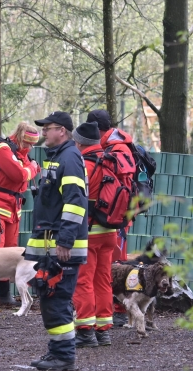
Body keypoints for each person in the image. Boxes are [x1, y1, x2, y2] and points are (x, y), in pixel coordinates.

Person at [26, 111, 88, 371]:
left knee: (57, 299)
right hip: (52, 245)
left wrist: (65, 240)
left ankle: (63, 356)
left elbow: (75, 202)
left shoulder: (69, 158)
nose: (43, 133)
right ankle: (57, 352)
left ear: (61, 130)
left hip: (62, 248)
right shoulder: (59, 157)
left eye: (47, 128)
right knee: (51, 299)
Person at [0, 122, 40, 308]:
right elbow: (19, 175)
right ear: (20, 137)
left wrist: (28, 169)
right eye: (28, 143)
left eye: (33, 144)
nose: (30, 147)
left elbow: (23, 173)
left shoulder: (21, 154)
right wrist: (33, 169)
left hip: (14, 207)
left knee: (10, 249)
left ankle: (5, 296)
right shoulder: (3, 149)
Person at [86, 109, 133, 327]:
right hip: (112, 217)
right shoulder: (113, 147)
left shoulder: (117, 150)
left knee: (116, 266)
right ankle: (109, 314)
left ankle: (120, 310)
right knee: (107, 270)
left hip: (113, 218)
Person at [72, 121, 117, 347]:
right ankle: (104, 330)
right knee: (103, 280)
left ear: (79, 143)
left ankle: (85, 331)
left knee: (83, 280)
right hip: (110, 230)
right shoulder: (110, 161)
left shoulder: (84, 165)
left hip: (89, 231)